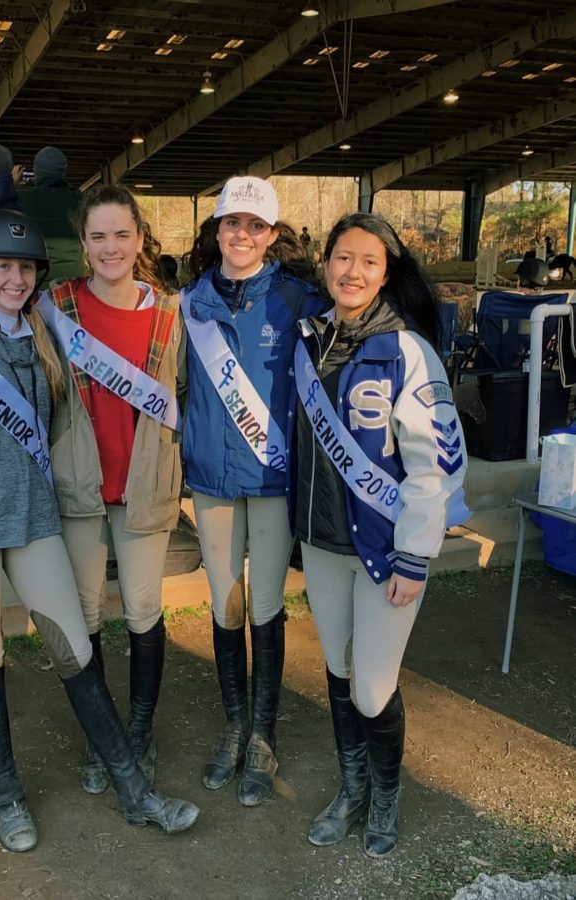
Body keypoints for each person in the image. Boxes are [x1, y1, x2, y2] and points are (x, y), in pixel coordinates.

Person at [0, 209, 198, 854]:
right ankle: (7, 793)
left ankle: (133, 791)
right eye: (3, 266)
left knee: (76, 648)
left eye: (25, 268)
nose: (15, 278)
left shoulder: (42, 334)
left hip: (35, 520)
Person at [291, 212, 469, 858]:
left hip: (385, 550)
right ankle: (353, 789)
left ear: (386, 272)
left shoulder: (408, 352)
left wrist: (415, 556)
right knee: (337, 668)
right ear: (326, 263)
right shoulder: (308, 339)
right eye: (342, 257)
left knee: (372, 685)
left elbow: (433, 467)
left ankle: (387, 796)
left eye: (368, 261)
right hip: (321, 540)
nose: (352, 271)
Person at [180, 176, 322, 807]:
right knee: (223, 604)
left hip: (270, 478)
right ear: (216, 231)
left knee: (265, 604)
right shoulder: (187, 304)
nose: (242, 235)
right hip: (211, 477)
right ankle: (234, 725)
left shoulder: (299, 300)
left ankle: (264, 734)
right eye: (231, 223)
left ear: (272, 233)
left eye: (254, 226)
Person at [39, 185, 182, 796]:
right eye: (98, 236)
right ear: (84, 243)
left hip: (145, 484)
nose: (110, 247)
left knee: (144, 611)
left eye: (122, 234)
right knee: (88, 612)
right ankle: (107, 741)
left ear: (141, 239)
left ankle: (141, 733)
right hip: (81, 485)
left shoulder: (170, 315)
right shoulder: (55, 306)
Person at [17, 146, 86, 281]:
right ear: (63, 171)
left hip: (39, 277)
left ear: (37, 172)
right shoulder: (79, 199)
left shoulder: (24, 198)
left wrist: (11, 182)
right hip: (75, 275)